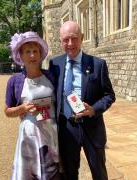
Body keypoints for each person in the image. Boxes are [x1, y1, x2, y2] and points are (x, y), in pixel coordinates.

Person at [49, 21, 116, 180]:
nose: (70, 44)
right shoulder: (54, 64)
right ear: (60, 41)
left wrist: (93, 109)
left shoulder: (98, 64)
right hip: (66, 127)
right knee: (69, 173)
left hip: (92, 127)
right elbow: (50, 93)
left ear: (82, 38)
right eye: (66, 40)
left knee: (99, 172)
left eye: (74, 38)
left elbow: (109, 95)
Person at [5, 31, 60, 180]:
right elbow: (7, 111)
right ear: (21, 56)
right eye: (27, 52)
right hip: (30, 136)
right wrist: (22, 108)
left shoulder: (51, 76)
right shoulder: (14, 81)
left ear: (40, 54)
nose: (32, 56)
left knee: (52, 173)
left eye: (35, 51)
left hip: (52, 132)